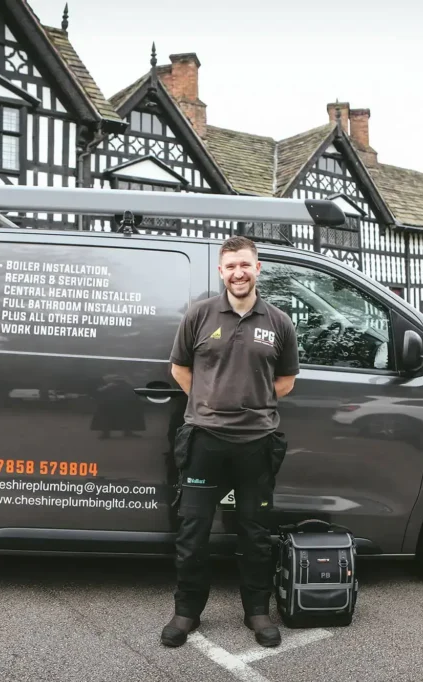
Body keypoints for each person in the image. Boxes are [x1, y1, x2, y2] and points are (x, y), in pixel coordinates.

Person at [161, 236, 300, 649]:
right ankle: (187, 612)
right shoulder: (200, 315)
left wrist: (250, 405)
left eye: (245, 265)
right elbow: (179, 368)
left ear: (258, 268)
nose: (238, 273)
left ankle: (256, 612)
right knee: (193, 531)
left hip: (256, 443)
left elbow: (286, 381)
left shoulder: (279, 322)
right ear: (221, 272)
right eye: (230, 267)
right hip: (204, 439)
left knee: (255, 532)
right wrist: (209, 403)